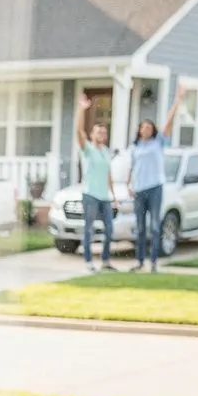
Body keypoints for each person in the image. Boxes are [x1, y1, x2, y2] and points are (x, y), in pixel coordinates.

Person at [128, 84, 185, 272]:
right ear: (139, 130)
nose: (146, 129)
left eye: (149, 126)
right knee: (140, 227)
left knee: (154, 226)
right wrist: (130, 184)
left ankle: (153, 262)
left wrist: (177, 101)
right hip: (139, 190)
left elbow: (168, 123)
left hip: (155, 188)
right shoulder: (135, 148)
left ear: (153, 130)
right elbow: (132, 167)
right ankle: (139, 261)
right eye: (143, 126)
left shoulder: (158, 142)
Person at [76, 93, 117, 273]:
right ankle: (88, 262)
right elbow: (79, 131)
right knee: (89, 230)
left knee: (110, 230)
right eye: (99, 132)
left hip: (104, 196)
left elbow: (108, 175)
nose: (102, 134)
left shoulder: (106, 152)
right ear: (92, 135)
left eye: (104, 132)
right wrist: (81, 109)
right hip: (90, 195)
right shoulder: (88, 150)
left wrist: (114, 195)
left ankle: (106, 261)